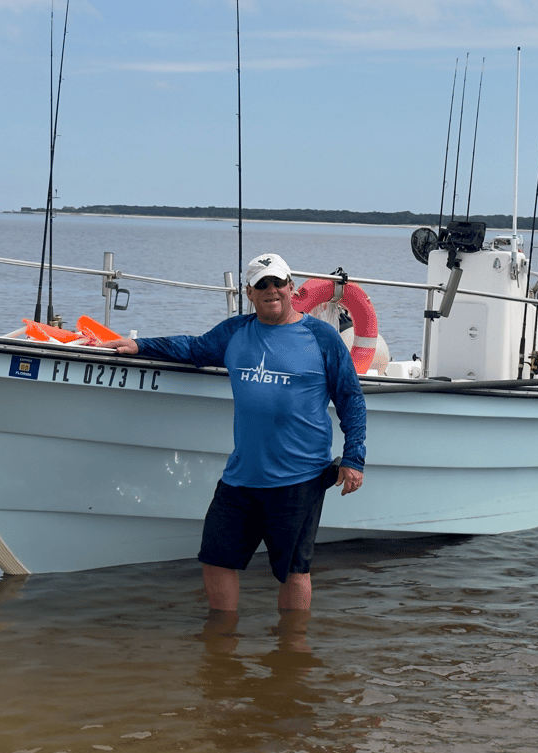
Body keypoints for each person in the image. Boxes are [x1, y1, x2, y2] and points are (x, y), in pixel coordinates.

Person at [106, 253, 366, 613]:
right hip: (242, 477)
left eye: (277, 282)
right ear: (249, 291)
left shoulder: (321, 337)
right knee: (215, 558)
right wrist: (140, 345)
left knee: (294, 571)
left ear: (291, 287)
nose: (271, 290)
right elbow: (193, 348)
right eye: (262, 284)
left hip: (300, 477)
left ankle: (293, 649)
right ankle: (222, 642)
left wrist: (354, 458)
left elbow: (351, 398)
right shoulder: (236, 332)